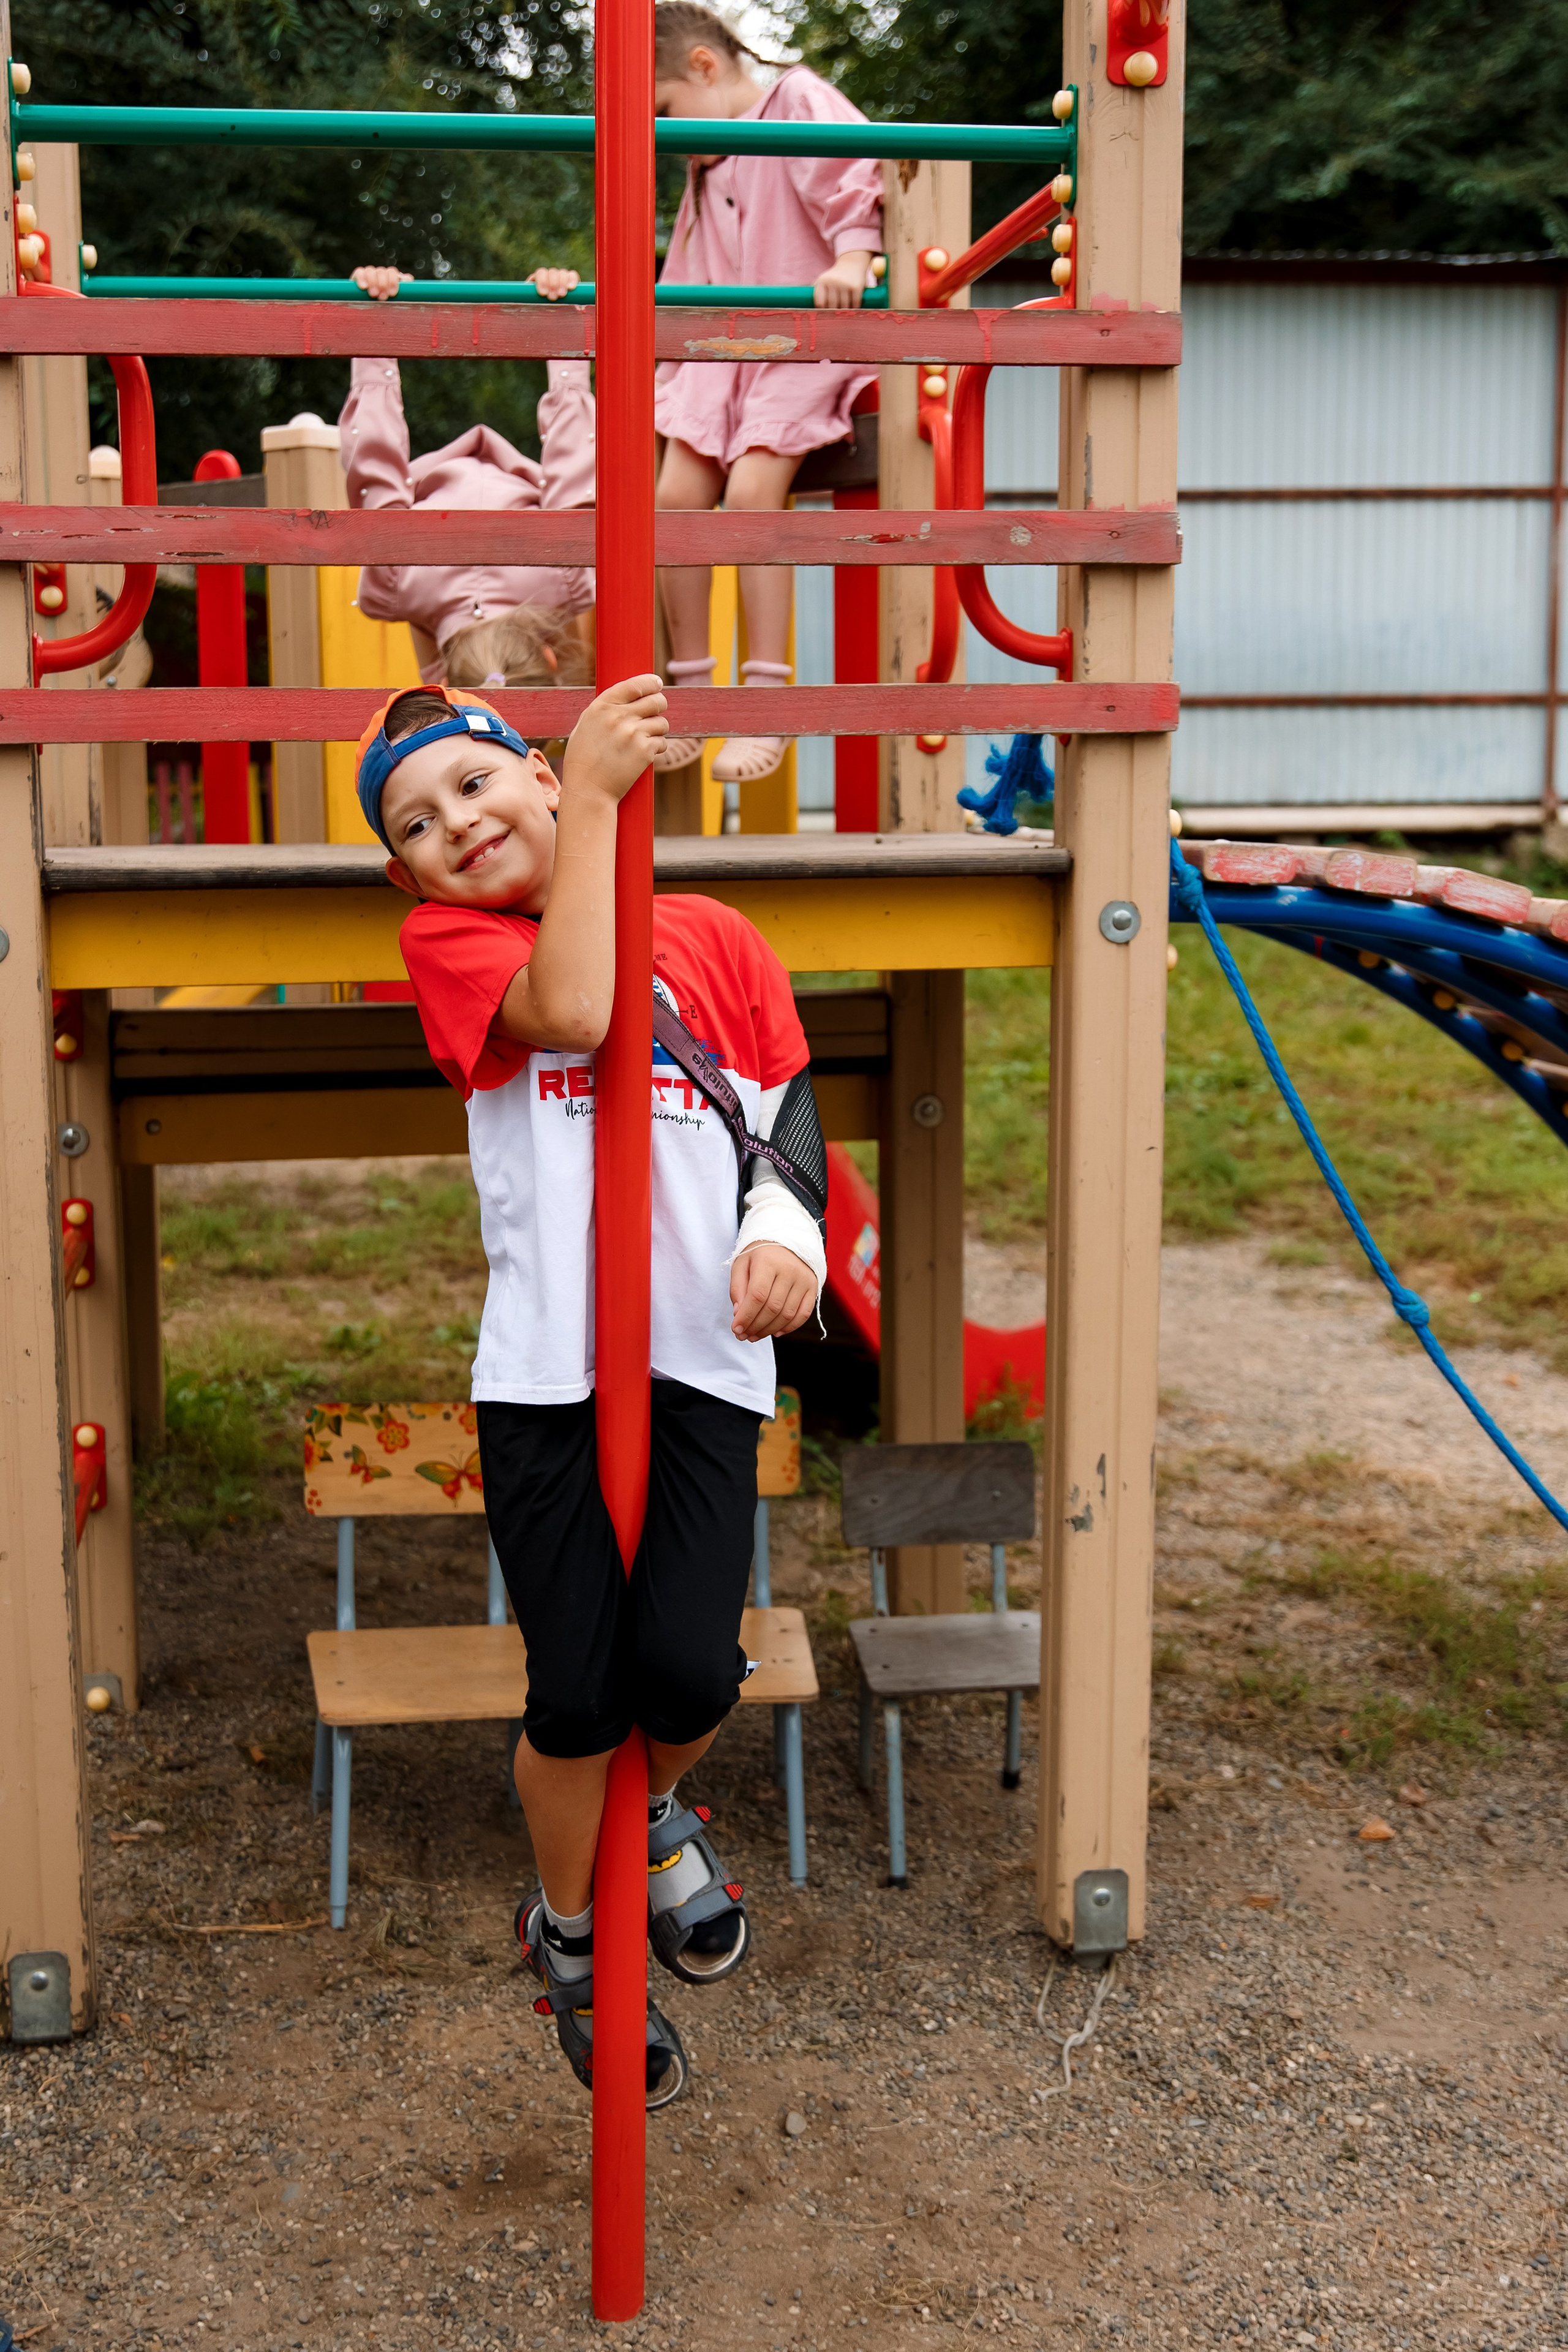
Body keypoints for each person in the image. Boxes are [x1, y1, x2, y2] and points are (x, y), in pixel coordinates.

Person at [354, 674, 828, 2108]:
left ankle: (657, 1815)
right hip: (549, 1375)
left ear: (540, 781)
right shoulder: (450, 941)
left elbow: (785, 1114)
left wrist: (780, 1237)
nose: (456, 824)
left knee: (685, 1667)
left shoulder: (717, 938)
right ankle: (571, 1932)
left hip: (700, 1356)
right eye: (418, 822)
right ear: (405, 872)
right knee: (575, 1687)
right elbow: (570, 1007)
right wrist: (608, 794)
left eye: (476, 785)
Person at [650, 2, 884, 786]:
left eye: (664, 111)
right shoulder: (703, 166)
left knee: (753, 489)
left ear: (704, 69)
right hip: (725, 348)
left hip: (804, 333)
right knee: (675, 494)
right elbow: (682, 278)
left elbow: (851, 173)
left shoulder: (795, 102)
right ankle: (689, 687)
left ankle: (763, 702)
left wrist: (853, 260)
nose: (666, 136)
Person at [339, 265, 595, 690]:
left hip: (496, 514)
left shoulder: (567, 580)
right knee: (416, 596)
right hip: (430, 577)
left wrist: (564, 328)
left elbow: (575, 464)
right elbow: (375, 465)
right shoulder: (397, 584)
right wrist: (375, 333)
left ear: (548, 659)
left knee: (420, 594)